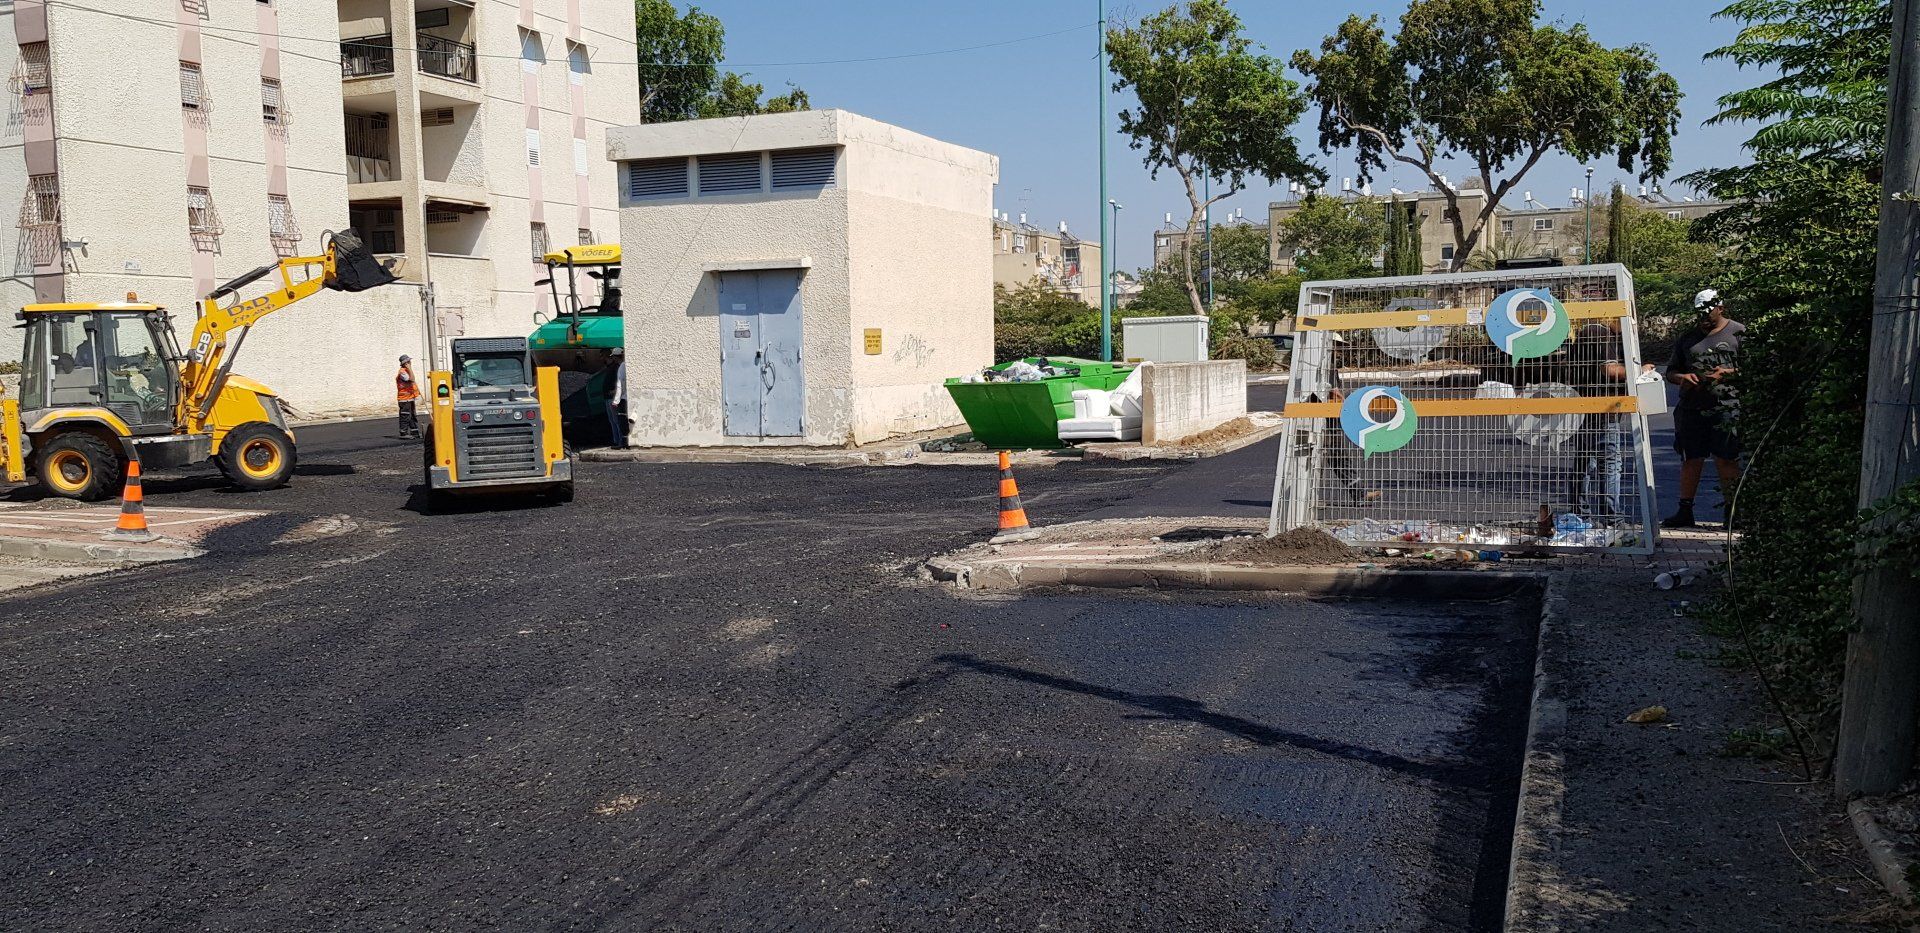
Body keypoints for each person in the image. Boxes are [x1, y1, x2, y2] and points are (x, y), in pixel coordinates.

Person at [1663, 289, 1745, 528]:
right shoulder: (1688, 338)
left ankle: (1733, 513)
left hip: (1726, 407)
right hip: (1692, 407)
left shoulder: (1739, 333)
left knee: (1726, 458)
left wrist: (1727, 374)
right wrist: (1682, 378)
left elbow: (1757, 368)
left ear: (1721, 308)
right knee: (1691, 458)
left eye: (1708, 313)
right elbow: (1671, 371)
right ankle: (1685, 510)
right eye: (1700, 314)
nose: (1704, 318)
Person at [1566, 319, 1628, 522]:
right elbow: (1609, 370)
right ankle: (1612, 518)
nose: (1631, 326)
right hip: (1602, 410)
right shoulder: (1601, 334)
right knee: (1609, 464)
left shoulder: (1588, 332)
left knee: (1584, 463)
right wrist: (1638, 370)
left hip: (1584, 407)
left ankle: (1580, 515)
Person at [604, 349, 628, 449]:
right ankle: (620, 441)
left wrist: (616, 400)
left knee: (619, 420)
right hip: (623, 397)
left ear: (615, 357)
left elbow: (620, 384)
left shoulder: (621, 367)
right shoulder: (622, 366)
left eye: (613, 356)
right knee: (618, 420)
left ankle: (621, 442)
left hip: (621, 398)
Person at [395, 354, 421, 439]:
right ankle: (403, 433)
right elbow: (412, 379)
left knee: (412, 416)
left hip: (410, 398)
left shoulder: (406, 371)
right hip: (404, 399)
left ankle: (415, 432)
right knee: (405, 416)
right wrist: (409, 368)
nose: (411, 363)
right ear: (406, 363)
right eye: (409, 362)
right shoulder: (402, 372)